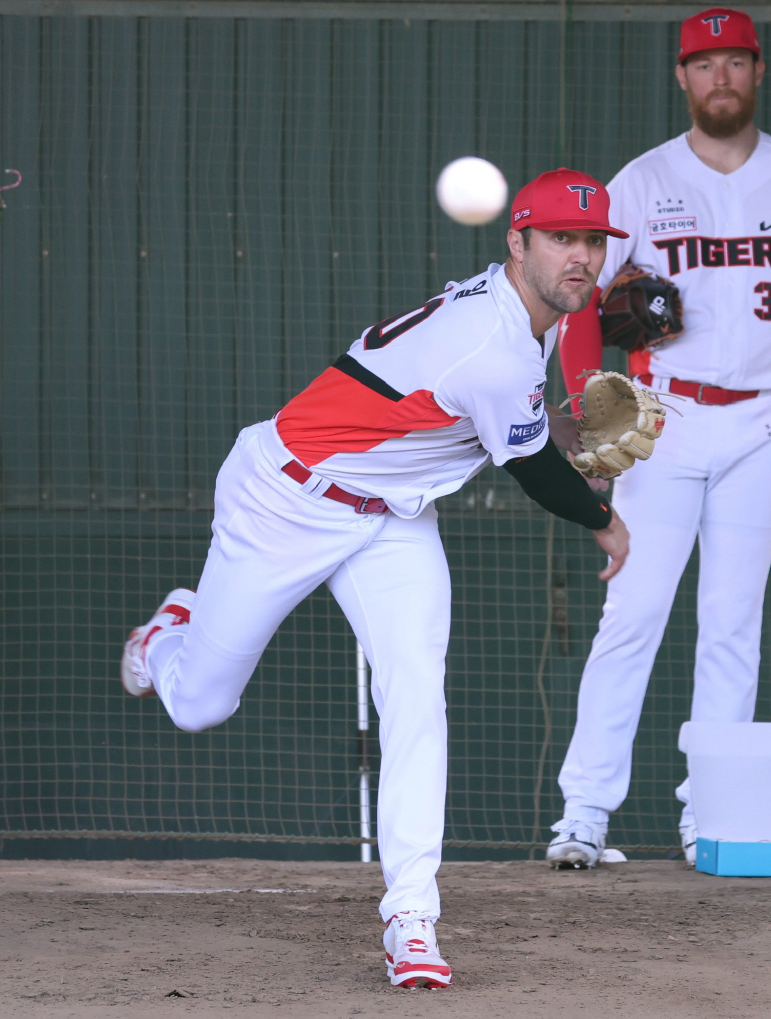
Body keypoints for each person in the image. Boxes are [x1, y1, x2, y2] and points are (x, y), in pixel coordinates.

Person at [120, 168, 633, 988]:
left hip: (392, 516)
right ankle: (167, 636)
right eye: (560, 238)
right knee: (197, 705)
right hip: (285, 497)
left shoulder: (523, 317)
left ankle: (412, 919)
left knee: (416, 694)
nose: (580, 256)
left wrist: (557, 428)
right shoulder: (495, 341)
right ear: (518, 243)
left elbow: (489, 418)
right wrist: (606, 521)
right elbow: (534, 469)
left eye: (593, 241)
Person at [548, 7, 771, 869]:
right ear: (681, 78)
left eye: (736, 61)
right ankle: (584, 812)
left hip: (765, 419)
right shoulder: (643, 181)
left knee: (732, 621)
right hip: (665, 418)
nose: (721, 77)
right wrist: (591, 405)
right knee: (633, 612)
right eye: (704, 63)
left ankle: (713, 812)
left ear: (758, 71)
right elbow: (582, 304)